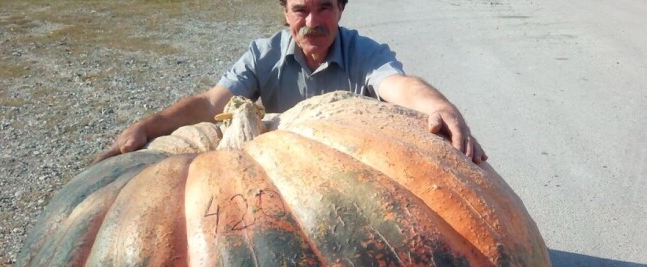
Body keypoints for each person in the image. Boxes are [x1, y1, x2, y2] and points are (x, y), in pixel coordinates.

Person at [96, 0, 487, 164]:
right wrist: (148, 126)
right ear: (285, 12)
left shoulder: (364, 52)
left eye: (324, 8)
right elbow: (211, 104)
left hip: (353, 169)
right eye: (300, 9)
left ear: (340, 10)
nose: (313, 22)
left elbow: (398, 85)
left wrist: (439, 107)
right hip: (282, 174)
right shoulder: (262, 54)